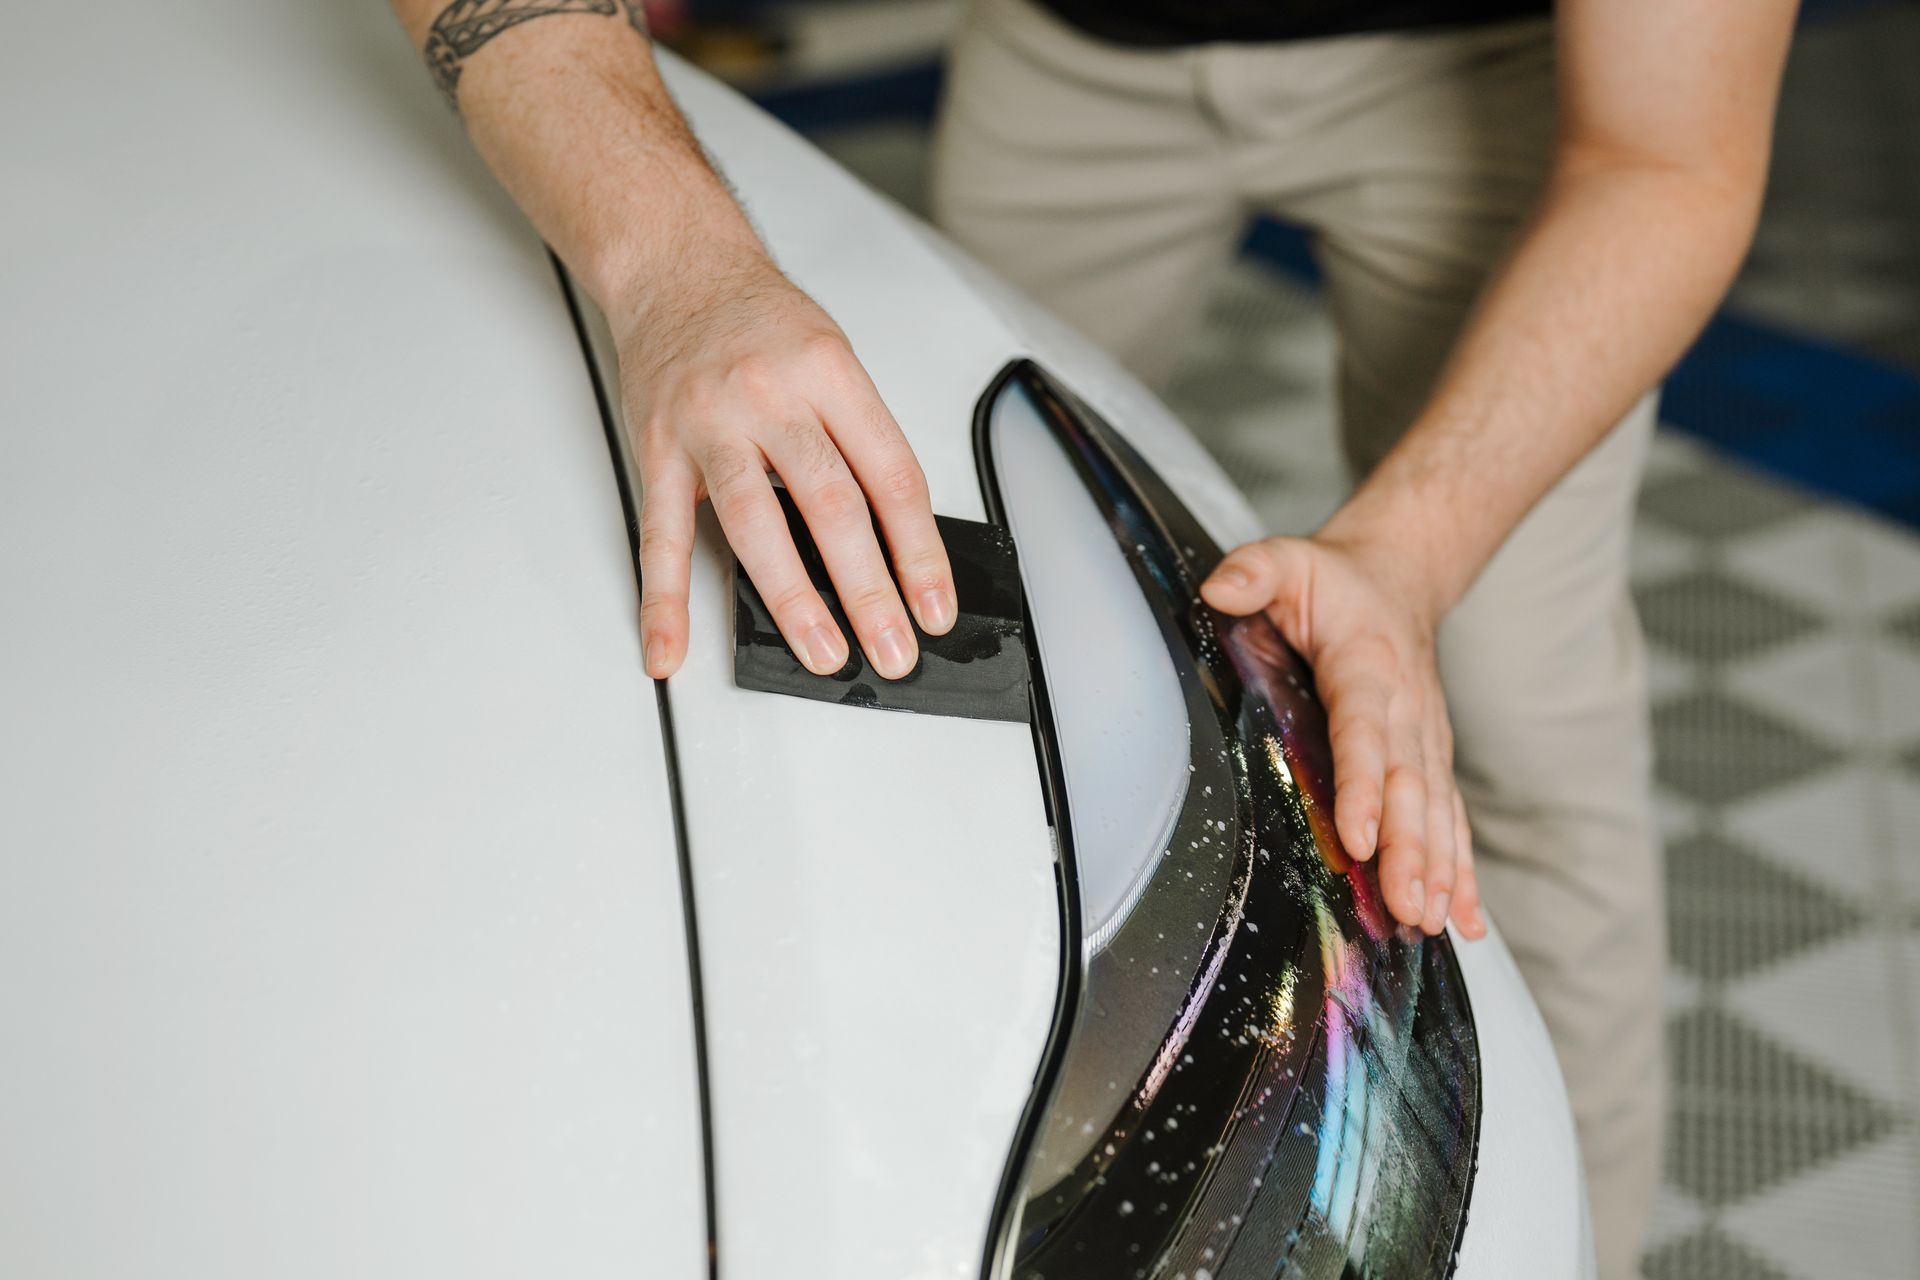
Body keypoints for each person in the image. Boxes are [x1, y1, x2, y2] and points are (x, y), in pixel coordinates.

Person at [386, 1, 1797, 1275]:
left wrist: (1408, 561)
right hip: (1070, 47)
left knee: (1514, 714)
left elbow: (1666, 162)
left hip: (1490, 70)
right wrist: (683, 273)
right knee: (879, 593)